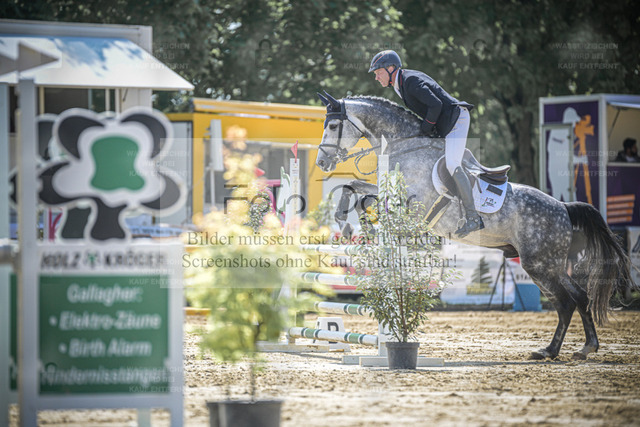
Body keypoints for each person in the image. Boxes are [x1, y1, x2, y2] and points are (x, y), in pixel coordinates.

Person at [368, 50, 481, 237]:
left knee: (452, 164)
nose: (376, 77)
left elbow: (435, 105)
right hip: (445, 123)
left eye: (378, 72)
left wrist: (426, 128)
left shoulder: (410, 81)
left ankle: (473, 217)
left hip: (456, 119)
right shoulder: (400, 84)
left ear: (390, 68)